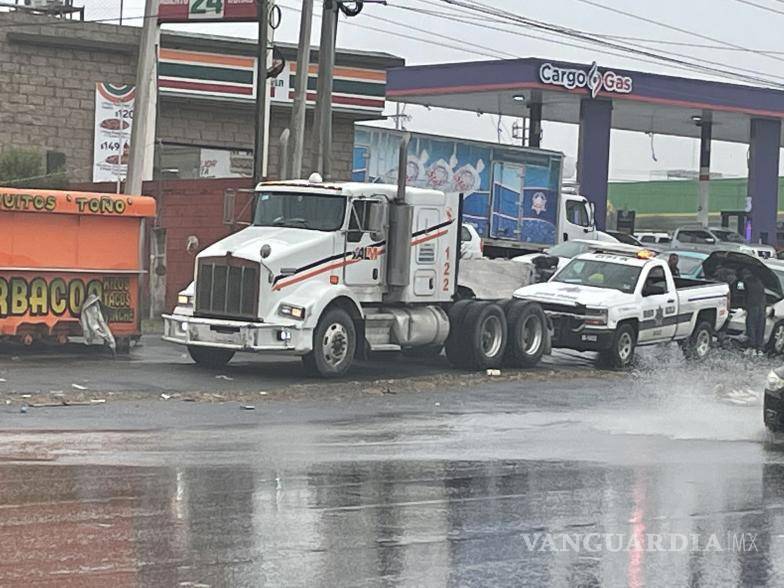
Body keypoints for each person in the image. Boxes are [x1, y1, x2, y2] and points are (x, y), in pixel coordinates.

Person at [740, 268, 766, 354]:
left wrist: (744, 305)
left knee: (751, 326)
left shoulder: (746, 282)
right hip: (761, 306)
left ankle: (752, 347)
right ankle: (759, 349)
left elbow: (744, 294)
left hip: (752, 306)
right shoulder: (759, 282)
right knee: (760, 327)